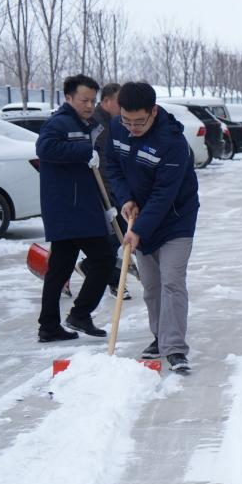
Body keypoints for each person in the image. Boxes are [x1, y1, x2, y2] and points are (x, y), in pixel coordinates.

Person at [102, 82, 200, 374]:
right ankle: (160, 337)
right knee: (152, 286)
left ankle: (175, 349)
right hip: (140, 218)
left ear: (154, 112)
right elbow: (113, 167)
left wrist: (138, 229)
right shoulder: (118, 129)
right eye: (126, 120)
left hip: (175, 220)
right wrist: (126, 199)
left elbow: (163, 194)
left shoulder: (172, 143)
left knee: (171, 281)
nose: (132, 127)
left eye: (139, 122)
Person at [35, 74, 116, 343]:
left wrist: (106, 205)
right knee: (103, 259)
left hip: (81, 206)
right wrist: (83, 150)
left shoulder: (88, 124)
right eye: (84, 100)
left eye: (93, 100)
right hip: (69, 208)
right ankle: (79, 314)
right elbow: (45, 149)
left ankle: (50, 325)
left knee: (60, 268)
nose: (90, 105)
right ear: (68, 98)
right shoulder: (59, 123)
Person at [84, 82, 129, 299]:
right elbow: (102, 166)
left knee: (113, 238)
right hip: (104, 193)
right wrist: (112, 196)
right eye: (120, 103)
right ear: (107, 102)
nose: (123, 107)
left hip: (112, 190)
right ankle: (111, 279)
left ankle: (108, 275)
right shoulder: (100, 126)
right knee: (113, 235)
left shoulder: (113, 122)